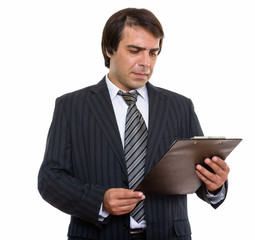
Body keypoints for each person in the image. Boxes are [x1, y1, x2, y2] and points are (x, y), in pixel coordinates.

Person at [38, 8, 230, 240]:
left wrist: (215, 185)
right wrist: (99, 201)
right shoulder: (71, 106)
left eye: (153, 52)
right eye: (135, 51)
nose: (145, 63)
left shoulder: (180, 106)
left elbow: (197, 175)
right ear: (109, 49)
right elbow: (50, 179)